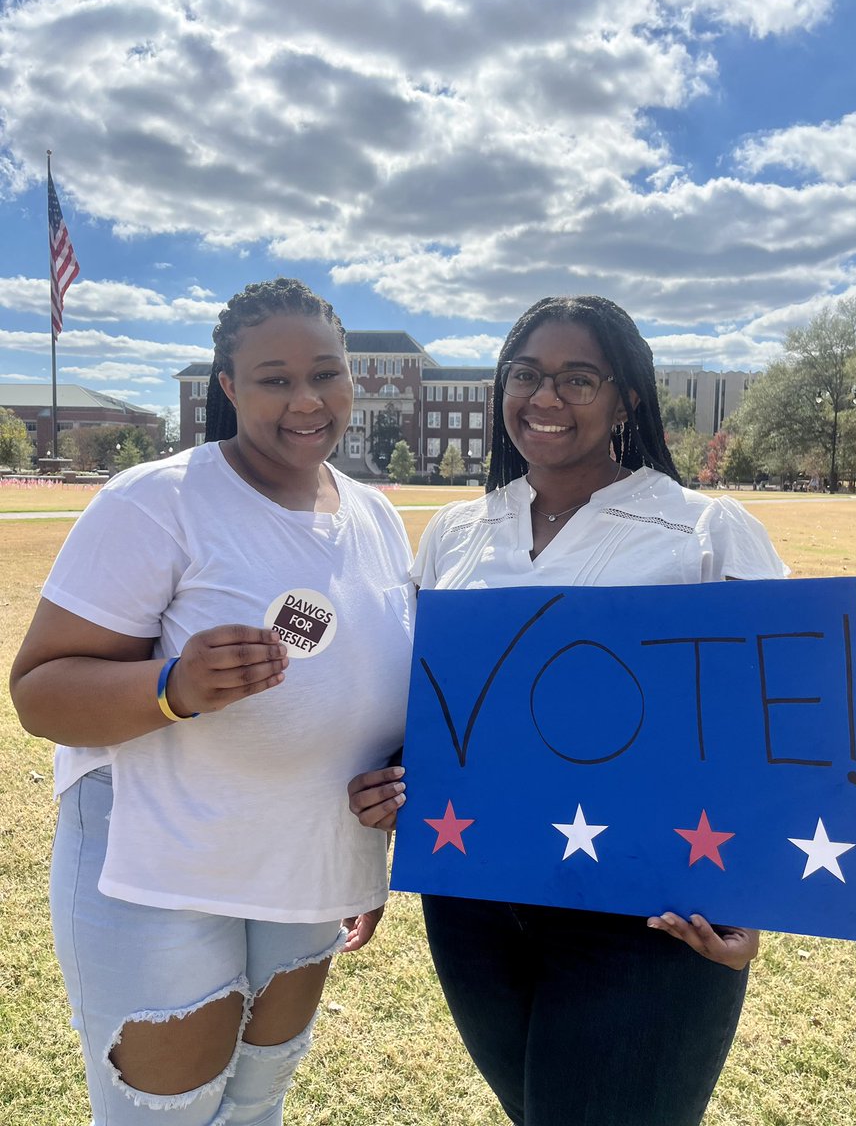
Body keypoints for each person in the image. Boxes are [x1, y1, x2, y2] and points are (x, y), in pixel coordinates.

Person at [348, 294, 788, 1126]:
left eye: (578, 378)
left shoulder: (703, 530)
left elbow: (764, 729)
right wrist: (388, 780)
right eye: (527, 374)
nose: (545, 398)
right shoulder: (455, 533)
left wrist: (758, 899)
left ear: (627, 398)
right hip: (475, 902)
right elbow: (424, 701)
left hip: (647, 912)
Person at [10, 277, 415, 1126]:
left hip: (309, 861)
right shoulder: (158, 500)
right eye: (273, 378)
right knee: (164, 1116)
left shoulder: (377, 514)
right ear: (229, 389)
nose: (306, 400)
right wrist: (173, 687)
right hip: (162, 864)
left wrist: (388, 799)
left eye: (326, 374)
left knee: (258, 1100)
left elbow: (373, 689)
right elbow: (39, 692)